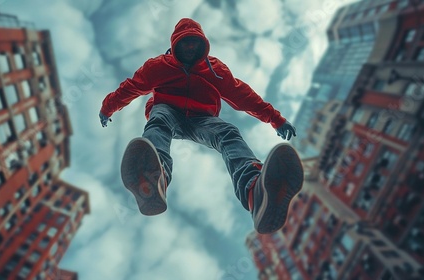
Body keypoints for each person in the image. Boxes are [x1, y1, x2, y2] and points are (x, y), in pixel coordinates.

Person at [99, 18, 303, 234]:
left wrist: (276, 119)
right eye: (185, 43)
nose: (189, 48)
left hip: (201, 119)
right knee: (158, 120)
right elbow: (131, 87)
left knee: (228, 133)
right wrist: (107, 108)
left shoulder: (215, 70)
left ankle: (255, 191)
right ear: (175, 43)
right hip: (168, 109)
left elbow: (244, 96)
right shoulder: (158, 66)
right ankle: (154, 178)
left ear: (202, 45)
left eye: (194, 43)